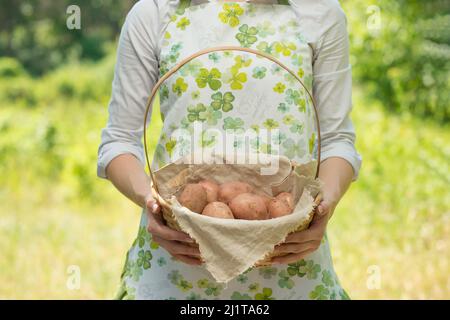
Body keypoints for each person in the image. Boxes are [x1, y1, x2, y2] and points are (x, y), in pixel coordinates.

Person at [97, 0, 362, 300]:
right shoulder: (155, 12)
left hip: (289, 265)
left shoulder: (319, 12)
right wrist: (152, 202)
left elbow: (337, 140)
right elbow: (118, 141)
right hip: (176, 268)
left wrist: (324, 205)